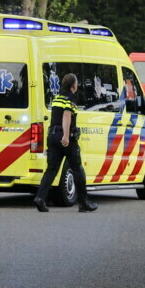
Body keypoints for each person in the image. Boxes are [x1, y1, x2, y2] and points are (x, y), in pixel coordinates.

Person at [34, 73, 98, 213]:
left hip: (52, 135)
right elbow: (67, 115)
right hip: (65, 138)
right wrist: (66, 135)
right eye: (76, 84)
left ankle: (40, 198)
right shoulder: (71, 98)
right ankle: (84, 202)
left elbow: (55, 117)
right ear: (73, 86)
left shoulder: (57, 98)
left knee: (51, 169)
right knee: (77, 169)